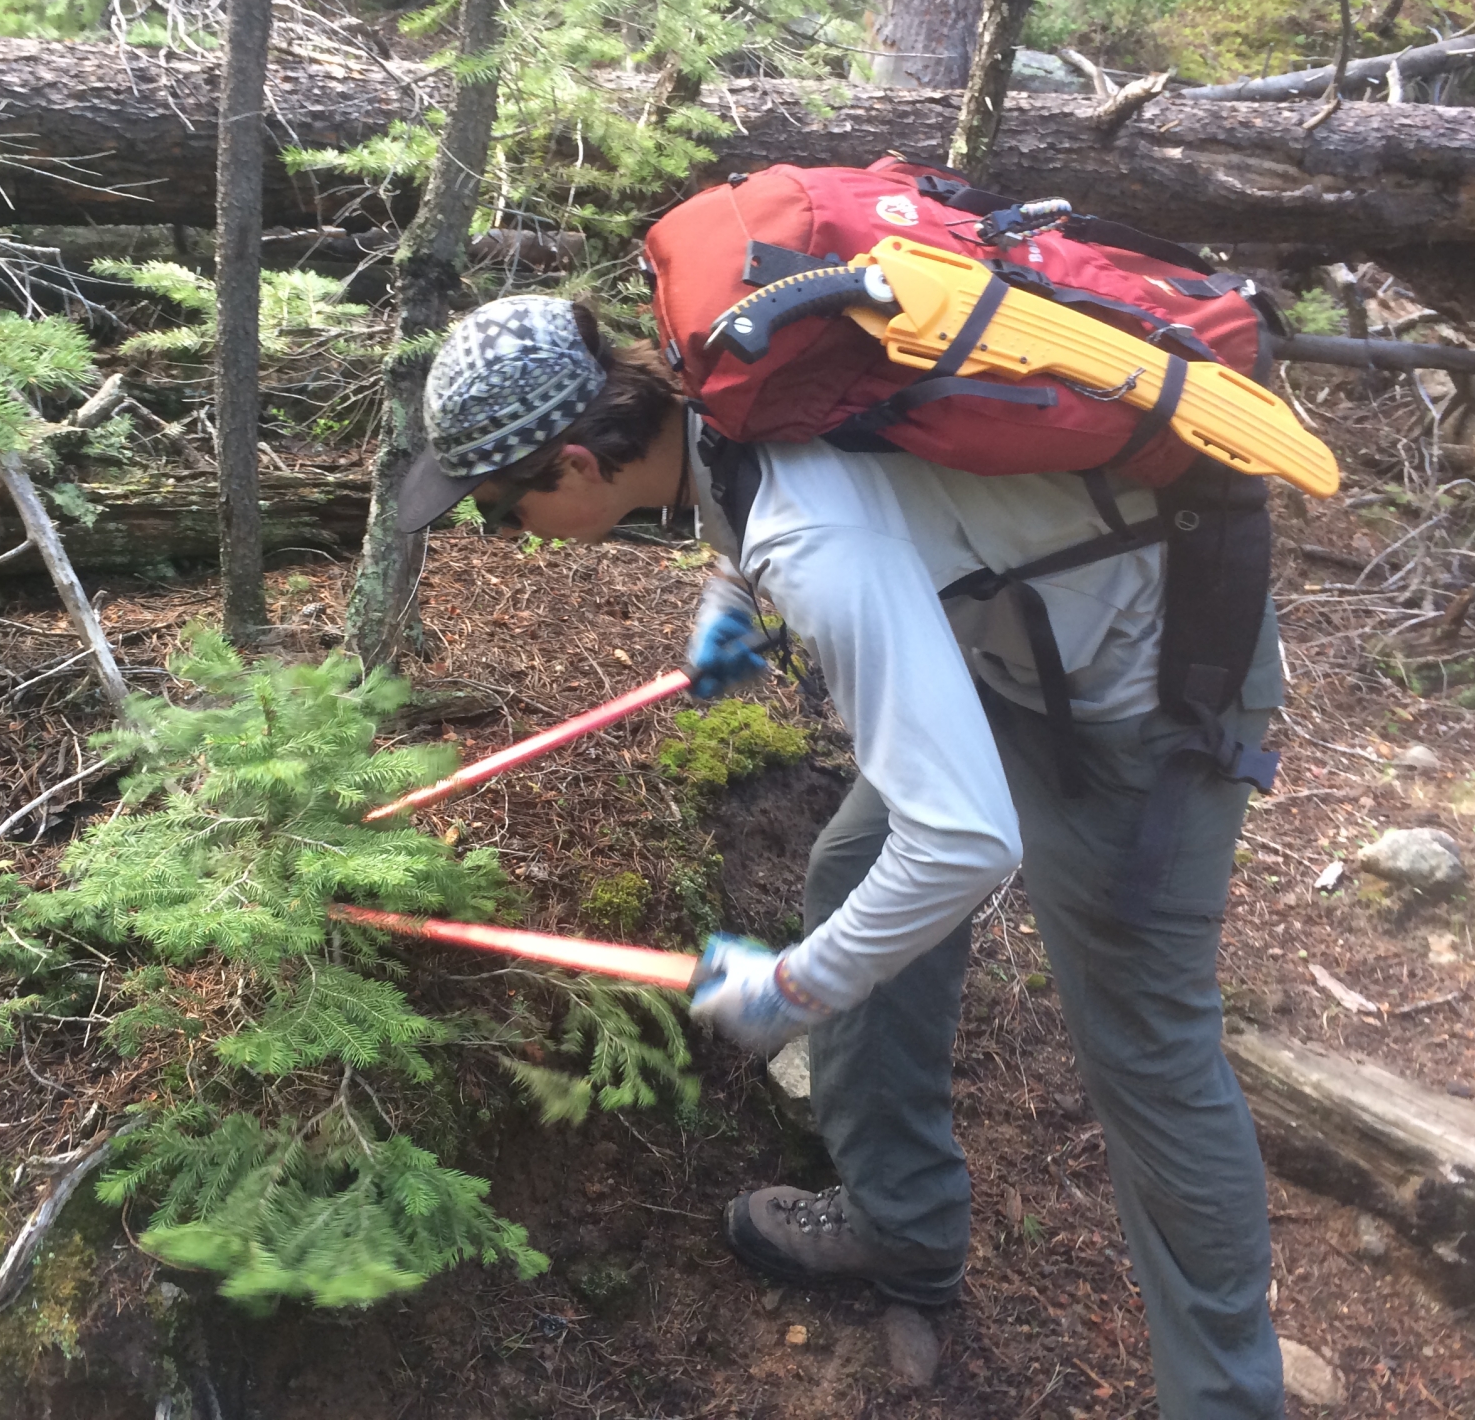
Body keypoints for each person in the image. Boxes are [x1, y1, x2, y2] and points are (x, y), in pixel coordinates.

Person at [396, 293, 1287, 1418]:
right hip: (1009, 638)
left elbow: (962, 842)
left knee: (1149, 1057)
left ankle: (1225, 1401)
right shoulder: (718, 378)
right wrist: (730, 596)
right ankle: (902, 1224)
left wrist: (791, 985)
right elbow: (776, 486)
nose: (502, 532)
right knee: (850, 874)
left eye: (498, 509)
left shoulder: (810, 541)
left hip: (1144, 686)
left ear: (577, 462)